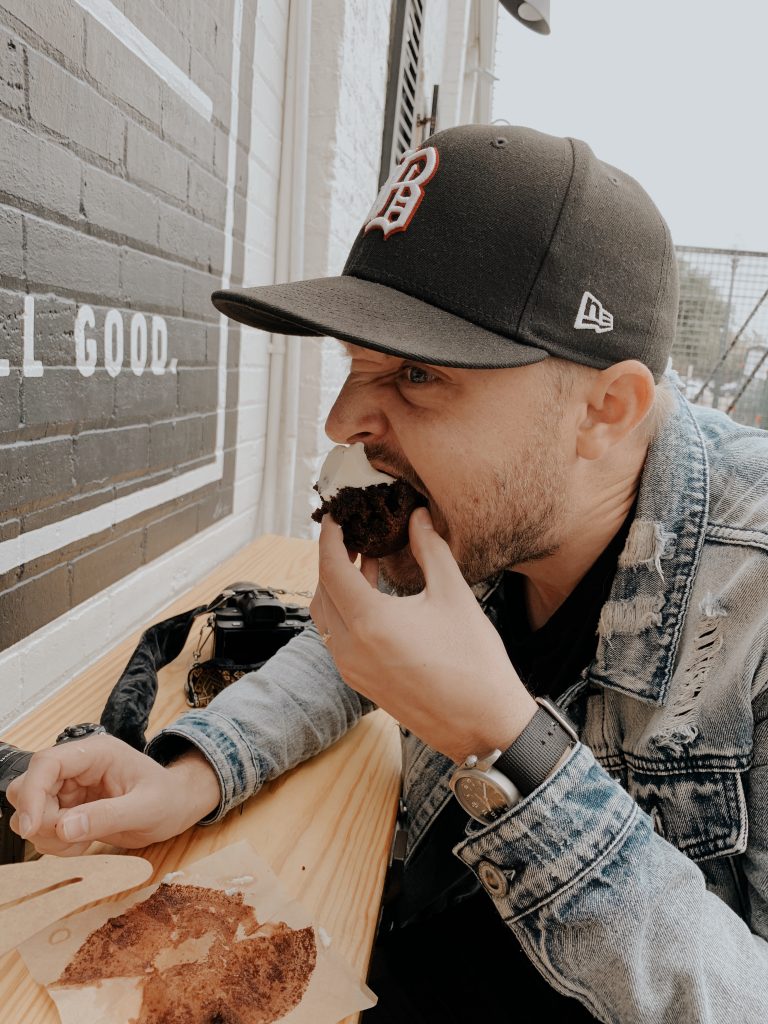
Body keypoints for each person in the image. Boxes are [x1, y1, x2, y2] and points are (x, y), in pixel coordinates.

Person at [8, 125, 768, 1023]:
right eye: (354, 364)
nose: (340, 421)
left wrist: (503, 738)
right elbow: (360, 645)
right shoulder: (486, 516)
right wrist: (191, 773)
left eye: (415, 373)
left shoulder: (749, 601)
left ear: (606, 410)